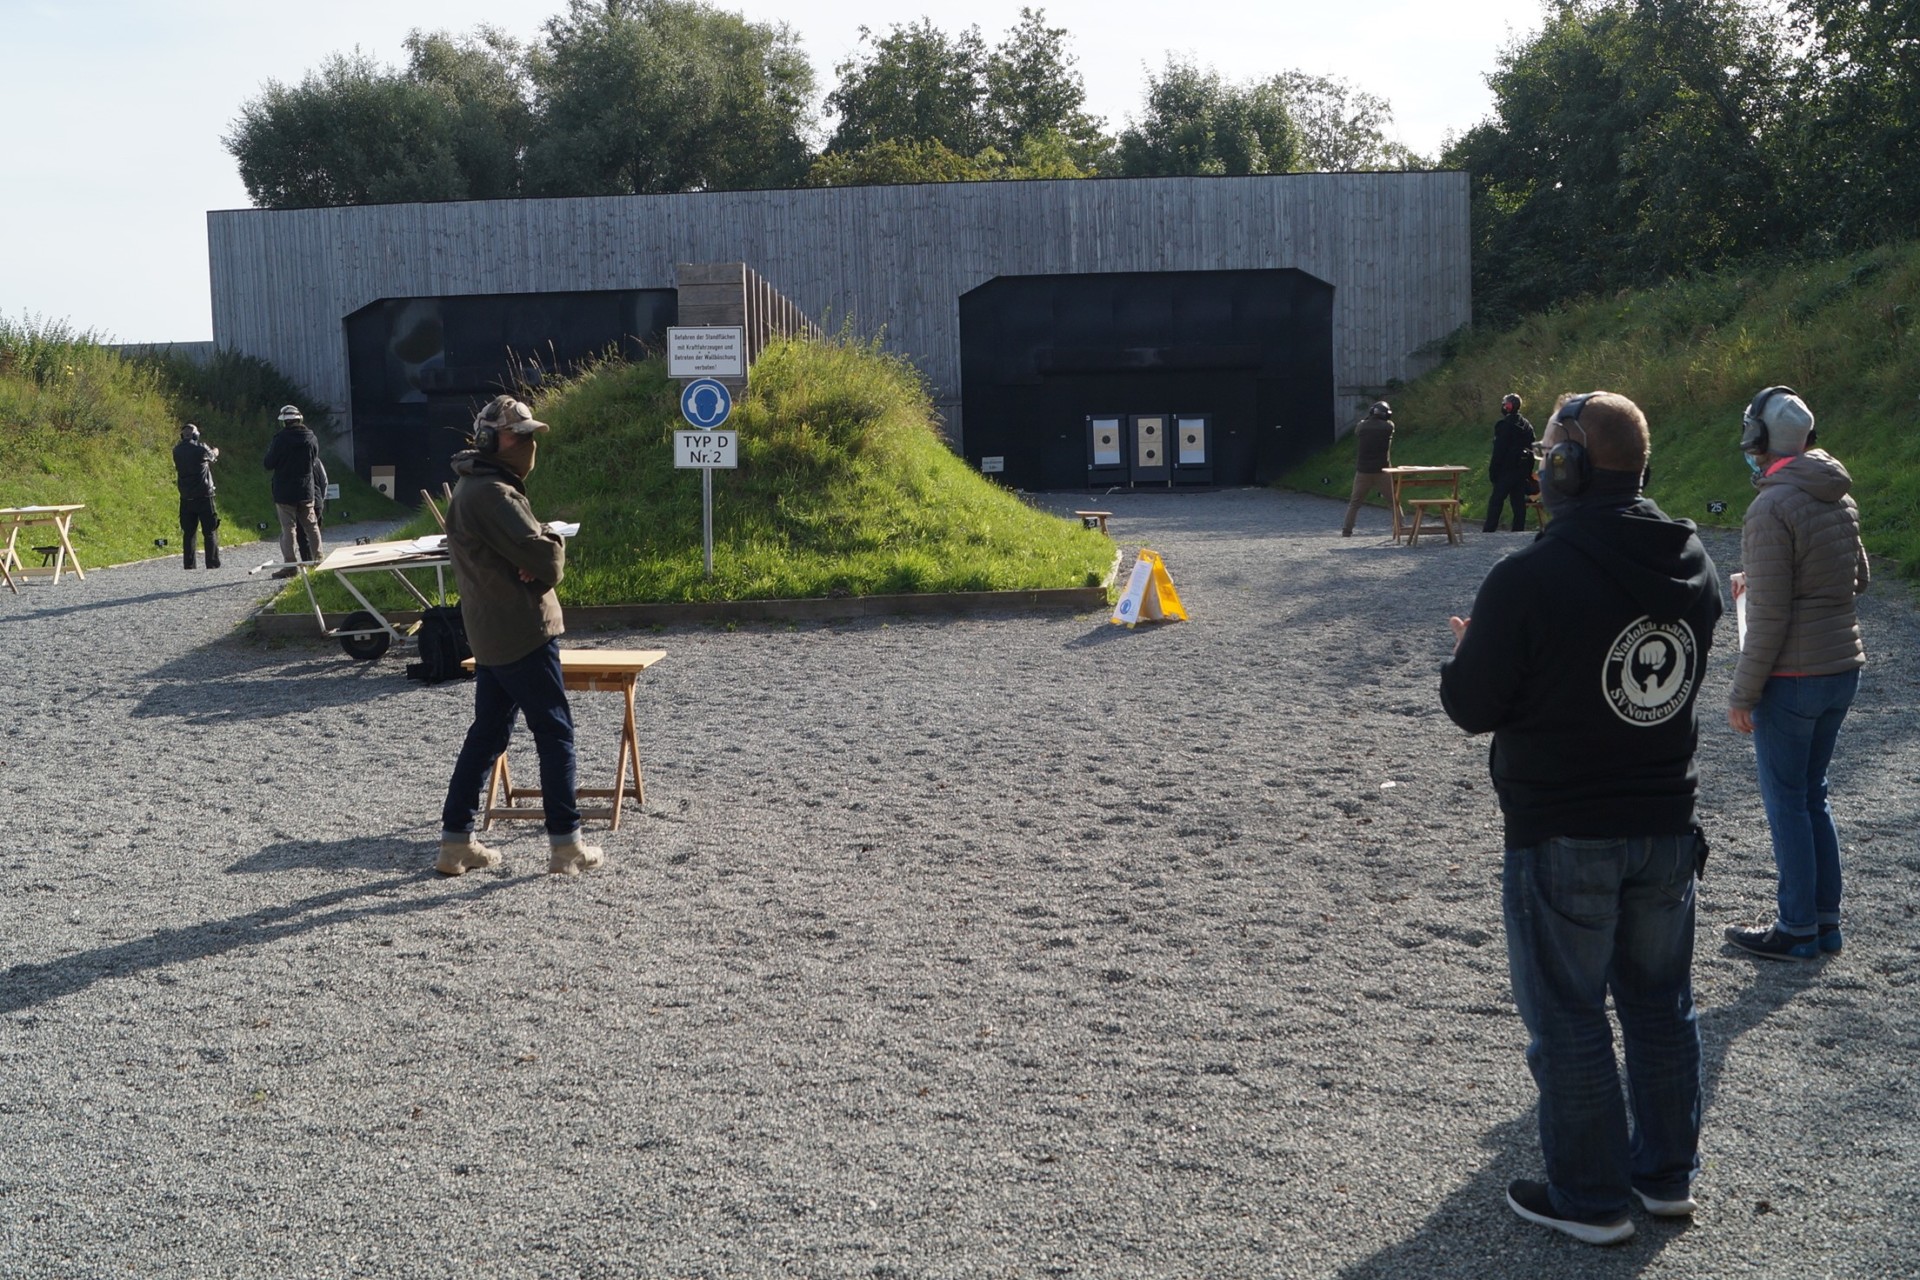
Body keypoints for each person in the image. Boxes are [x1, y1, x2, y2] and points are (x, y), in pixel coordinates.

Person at [1439, 391, 1723, 1246]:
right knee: (1661, 1008)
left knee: (1567, 1016)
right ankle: (1665, 1177)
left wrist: (1470, 649)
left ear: (1566, 468)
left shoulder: (1527, 575)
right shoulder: (1693, 560)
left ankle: (1592, 1197)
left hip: (1563, 828)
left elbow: (1471, 705)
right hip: (1667, 822)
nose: (1539, 468)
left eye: (1550, 455)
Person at [1724, 387, 1869, 961]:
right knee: (1814, 796)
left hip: (1793, 678)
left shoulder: (1769, 507)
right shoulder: (1839, 495)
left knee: (1786, 802)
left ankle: (1796, 928)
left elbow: (1771, 620)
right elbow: (1854, 578)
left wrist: (1742, 692)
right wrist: (1762, 576)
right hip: (1842, 669)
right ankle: (1823, 923)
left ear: (1760, 439)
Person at [436, 394, 603, 878]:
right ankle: (566, 846)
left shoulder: (474, 488)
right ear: (491, 440)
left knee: (487, 735)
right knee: (554, 734)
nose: (528, 444)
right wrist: (552, 540)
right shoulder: (495, 494)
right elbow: (548, 564)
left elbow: (525, 557)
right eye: (519, 435)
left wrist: (531, 551)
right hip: (522, 633)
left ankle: (456, 842)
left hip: (491, 634)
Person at [262, 404, 322, 577]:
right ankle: (318, 560)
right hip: (305, 489)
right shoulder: (311, 437)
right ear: (299, 419)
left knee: (288, 528)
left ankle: (290, 565)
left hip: (285, 491)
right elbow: (314, 460)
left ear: (284, 422)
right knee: (312, 526)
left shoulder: (280, 439)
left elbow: (268, 463)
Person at [1340, 400, 1403, 537]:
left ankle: (1347, 530)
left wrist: (1368, 418)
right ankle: (1400, 528)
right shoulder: (1388, 427)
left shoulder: (1362, 427)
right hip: (1383, 470)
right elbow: (1388, 423)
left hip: (1363, 471)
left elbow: (1359, 428)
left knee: (1354, 503)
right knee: (1394, 502)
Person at [1482, 392, 1537, 533]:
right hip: (1521, 470)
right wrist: (1528, 471)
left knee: (1496, 501)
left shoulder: (1503, 425)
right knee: (1518, 502)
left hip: (1506, 470)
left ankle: (1489, 531)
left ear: (1508, 407)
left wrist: (1493, 472)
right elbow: (1532, 449)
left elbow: (1498, 451)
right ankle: (1518, 530)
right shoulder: (1527, 425)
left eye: (1505, 404)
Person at [171, 423, 221, 570]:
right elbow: (212, 456)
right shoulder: (200, 449)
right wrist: (216, 450)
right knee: (210, 531)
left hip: (186, 497)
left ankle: (189, 565)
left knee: (188, 533)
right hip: (205, 496)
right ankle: (212, 563)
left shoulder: (177, 451)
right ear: (196, 435)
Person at [296, 453, 330, 564]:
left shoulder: (292, 461)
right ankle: (318, 560)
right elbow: (324, 481)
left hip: (302, 501)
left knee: (302, 535)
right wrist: (322, 499)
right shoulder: (316, 461)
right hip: (317, 500)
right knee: (315, 531)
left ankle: (308, 563)